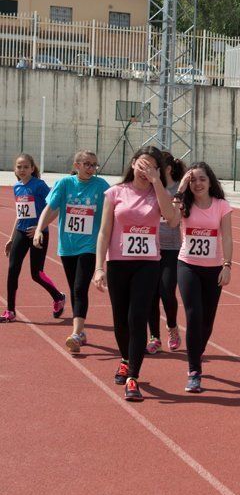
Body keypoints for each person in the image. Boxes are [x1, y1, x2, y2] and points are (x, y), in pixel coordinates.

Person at [93, 146, 179, 401]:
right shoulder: (115, 192)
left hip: (147, 264)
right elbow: (104, 232)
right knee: (120, 319)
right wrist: (99, 267)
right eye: (143, 164)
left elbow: (172, 220)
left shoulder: (158, 193)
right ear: (132, 164)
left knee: (137, 318)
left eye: (153, 166)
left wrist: (157, 183)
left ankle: (133, 376)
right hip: (119, 263)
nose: (146, 170)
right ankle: (125, 358)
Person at [33, 150, 109, 350]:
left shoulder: (101, 186)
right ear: (77, 165)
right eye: (87, 164)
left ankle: (76, 333)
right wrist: (39, 229)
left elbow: (115, 209)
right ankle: (81, 332)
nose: (91, 168)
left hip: (89, 246)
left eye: (94, 165)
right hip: (67, 246)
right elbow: (50, 208)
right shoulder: (64, 184)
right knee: (74, 290)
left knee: (79, 288)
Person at [174, 162, 233, 393]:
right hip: (187, 265)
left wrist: (227, 265)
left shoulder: (221, 206)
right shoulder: (183, 204)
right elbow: (168, 217)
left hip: (214, 268)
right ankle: (194, 371)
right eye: (193, 180)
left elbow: (227, 237)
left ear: (210, 182)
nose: (197, 184)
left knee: (207, 321)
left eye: (202, 179)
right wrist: (180, 188)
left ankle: (196, 352)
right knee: (193, 315)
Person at [3, 153, 66, 324]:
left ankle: (58, 296)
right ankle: (10, 311)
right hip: (21, 233)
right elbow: (20, 215)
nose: (22, 170)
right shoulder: (17, 187)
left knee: (36, 274)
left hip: (38, 234)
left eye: (25, 167)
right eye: (19, 167)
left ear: (32, 168)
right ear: (15, 169)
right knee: (12, 270)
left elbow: (54, 206)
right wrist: (11, 237)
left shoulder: (39, 186)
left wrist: (39, 227)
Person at [146, 152, 185, 354]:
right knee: (150, 293)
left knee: (166, 291)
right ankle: (154, 336)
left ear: (167, 168)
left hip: (172, 248)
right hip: (150, 247)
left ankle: (172, 327)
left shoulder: (179, 189)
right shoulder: (149, 188)